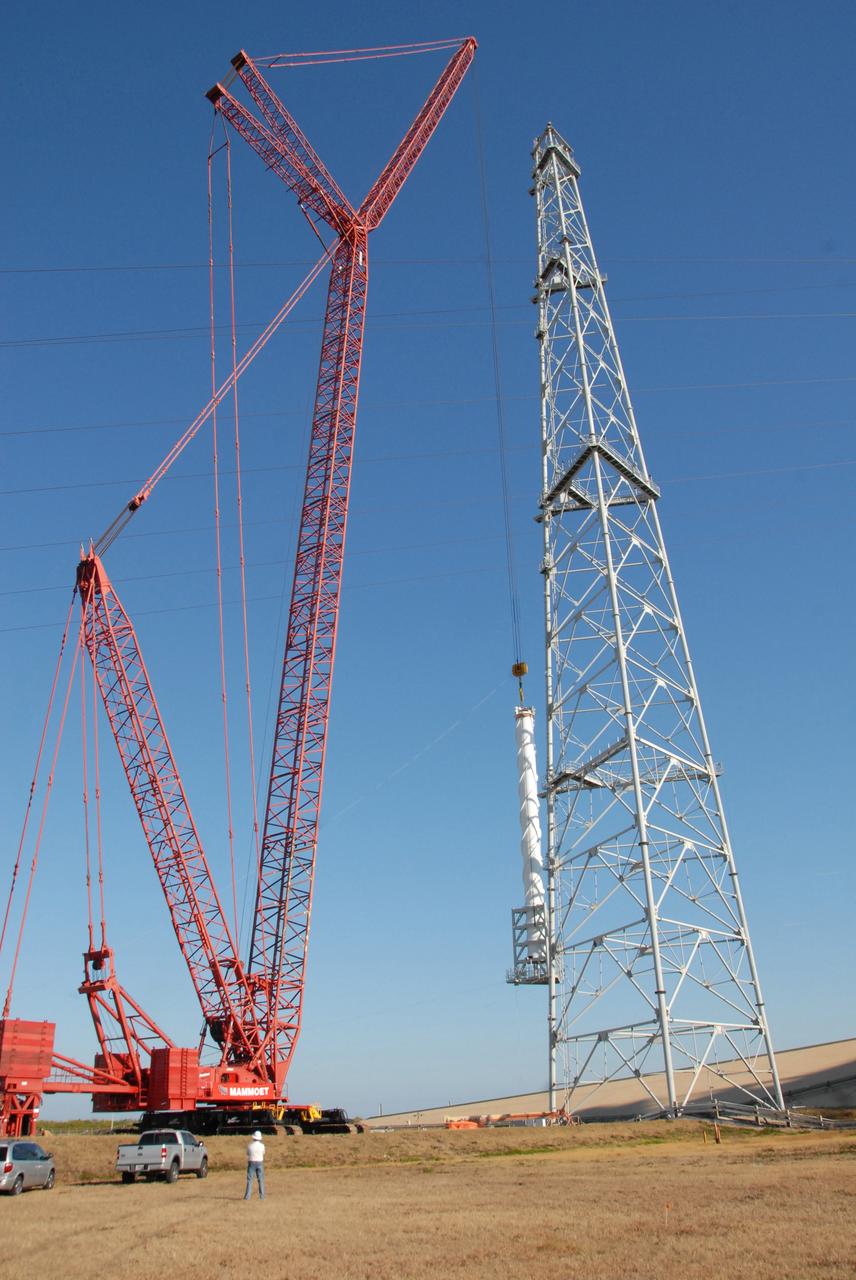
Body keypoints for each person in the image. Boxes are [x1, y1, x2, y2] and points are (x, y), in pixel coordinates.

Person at [244, 1129, 266, 1200]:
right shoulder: (262, 1146)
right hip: (260, 1162)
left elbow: (247, 1153)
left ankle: (247, 1197)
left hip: (251, 1162)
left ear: (253, 1137)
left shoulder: (250, 1146)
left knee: (250, 1180)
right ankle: (262, 1196)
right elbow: (263, 1153)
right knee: (261, 1180)